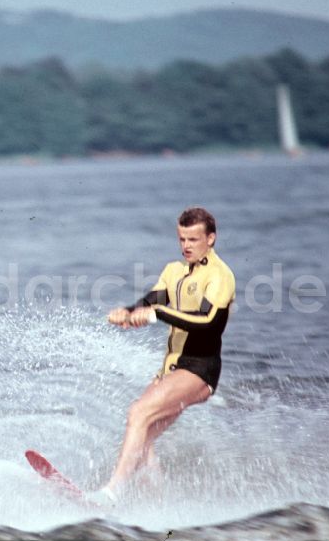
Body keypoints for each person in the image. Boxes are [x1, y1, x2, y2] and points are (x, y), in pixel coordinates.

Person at [94, 206, 236, 505]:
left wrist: (156, 314)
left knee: (138, 413)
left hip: (200, 369)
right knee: (143, 433)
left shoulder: (220, 276)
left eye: (193, 239)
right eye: (182, 239)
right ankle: (159, 505)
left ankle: (112, 493)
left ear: (211, 238)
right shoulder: (174, 271)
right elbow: (153, 299)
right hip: (171, 369)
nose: (186, 246)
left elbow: (207, 322)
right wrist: (129, 312)